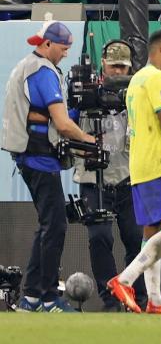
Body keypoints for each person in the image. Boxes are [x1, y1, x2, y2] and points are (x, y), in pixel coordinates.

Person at [1, 21, 97, 311]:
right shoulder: (42, 70)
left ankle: (31, 295)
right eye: (64, 49)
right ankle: (47, 297)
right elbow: (63, 125)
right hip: (38, 157)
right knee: (54, 226)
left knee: (48, 225)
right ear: (47, 45)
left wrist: (77, 108)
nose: (66, 54)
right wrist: (91, 140)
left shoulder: (29, 65)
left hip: (31, 156)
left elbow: (50, 116)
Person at [105, 30, 161, 314]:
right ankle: (125, 279)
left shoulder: (137, 79)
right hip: (157, 165)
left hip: (139, 165)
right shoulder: (157, 78)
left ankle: (154, 299)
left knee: (152, 230)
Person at [73, 41, 140, 313]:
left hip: (128, 178)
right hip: (93, 179)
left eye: (123, 67)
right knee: (100, 238)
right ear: (103, 64)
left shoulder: (136, 94)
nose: (118, 72)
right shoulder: (84, 92)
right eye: (114, 66)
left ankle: (140, 298)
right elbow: (66, 125)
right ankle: (111, 299)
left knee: (136, 240)